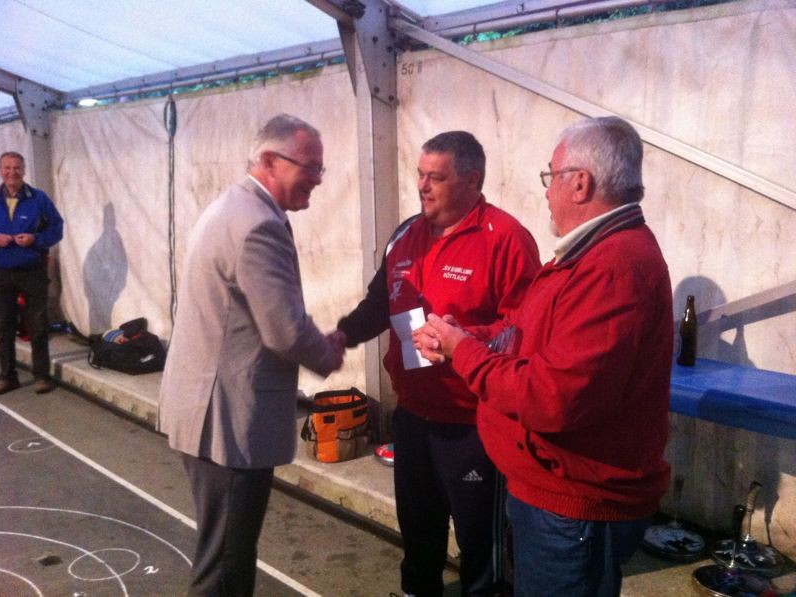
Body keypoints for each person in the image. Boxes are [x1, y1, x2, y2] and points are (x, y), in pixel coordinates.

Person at [416, 116, 673, 597]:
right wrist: (472, 335)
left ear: (580, 183)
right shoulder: (587, 255)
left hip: (574, 507)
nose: (547, 192)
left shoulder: (611, 266)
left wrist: (465, 352)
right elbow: (526, 334)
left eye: (550, 177)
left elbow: (553, 397)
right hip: (553, 495)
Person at [336, 131, 541, 596]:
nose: (423, 186)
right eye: (420, 175)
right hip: (413, 416)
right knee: (418, 528)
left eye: (437, 178)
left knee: (479, 542)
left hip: (474, 422)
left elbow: (526, 328)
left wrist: (465, 339)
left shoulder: (505, 239)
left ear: (472, 179)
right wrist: (341, 335)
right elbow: (377, 304)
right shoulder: (405, 235)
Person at [158, 114, 344, 597]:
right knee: (224, 564)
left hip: (207, 408)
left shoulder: (233, 207)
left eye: (322, 169)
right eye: (311, 167)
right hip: (227, 421)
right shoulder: (257, 224)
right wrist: (328, 350)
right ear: (268, 160)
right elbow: (284, 329)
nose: (318, 180)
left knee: (224, 551)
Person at [0, 152, 64, 395]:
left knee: (37, 325)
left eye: (16, 168)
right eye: (7, 168)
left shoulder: (38, 198)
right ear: (0, 170)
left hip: (32, 271)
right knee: (3, 326)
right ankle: (7, 376)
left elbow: (57, 228)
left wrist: (36, 239)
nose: (12, 173)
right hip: (1, 272)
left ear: (24, 171)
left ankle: (42, 376)